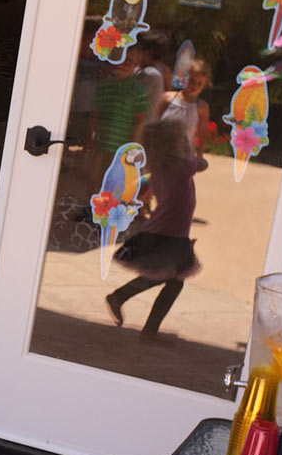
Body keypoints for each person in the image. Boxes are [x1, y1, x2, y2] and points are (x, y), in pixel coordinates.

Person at [105, 119, 207, 340]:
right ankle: (135, 315)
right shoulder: (182, 165)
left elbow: (148, 193)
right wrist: (193, 152)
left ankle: (131, 309)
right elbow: (203, 164)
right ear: (177, 143)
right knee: (171, 280)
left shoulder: (159, 168)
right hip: (169, 235)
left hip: (166, 233)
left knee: (171, 280)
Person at [86, 51, 149, 186]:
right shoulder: (105, 86)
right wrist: (90, 138)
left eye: (130, 61)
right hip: (101, 145)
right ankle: (91, 207)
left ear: (136, 65)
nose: (124, 64)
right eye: (122, 59)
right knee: (94, 181)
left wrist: (132, 147)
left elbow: (140, 121)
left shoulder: (137, 90)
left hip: (122, 149)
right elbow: (95, 114)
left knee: (115, 185)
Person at [158, 59, 212, 157]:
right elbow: (155, 122)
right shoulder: (167, 98)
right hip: (161, 152)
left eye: (200, 83)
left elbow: (203, 131)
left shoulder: (202, 107)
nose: (195, 86)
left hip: (184, 154)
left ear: (205, 85)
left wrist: (200, 154)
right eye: (192, 80)